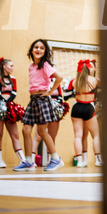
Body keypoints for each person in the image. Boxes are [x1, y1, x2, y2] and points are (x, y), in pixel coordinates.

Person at [14, 39, 64, 171]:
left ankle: (56, 159)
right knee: (26, 130)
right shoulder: (31, 66)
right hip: (33, 100)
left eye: (42, 48)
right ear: (32, 50)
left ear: (45, 51)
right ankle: (29, 161)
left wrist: (50, 92)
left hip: (42, 99)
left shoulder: (45, 65)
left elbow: (59, 77)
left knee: (42, 131)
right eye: (36, 47)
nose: (38, 50)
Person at [65, 60, 101, 168]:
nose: (94, 69)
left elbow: (66, 96)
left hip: (77, 107)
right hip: (88, 107)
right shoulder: (95, 80)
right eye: (92, 67)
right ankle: (98, 160)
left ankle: (80, 161)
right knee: (96, 135)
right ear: (89, 69)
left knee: (78, 136)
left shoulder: (74, 81)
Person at [0, 57, 24, 168]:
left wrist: (9, 105)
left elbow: (14, 93)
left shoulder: (13, 79)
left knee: (15, 135)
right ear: (4, 66)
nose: (13, 68)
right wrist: (4, 104)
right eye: (11, 66)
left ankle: (22, 160)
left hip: (9, 107)